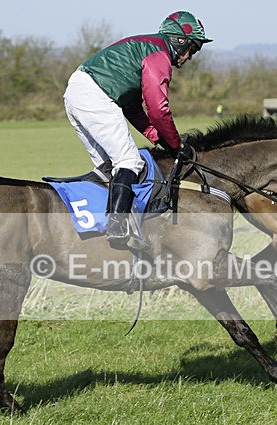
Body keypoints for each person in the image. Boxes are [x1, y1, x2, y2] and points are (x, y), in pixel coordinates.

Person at [63, 11, 211, 250]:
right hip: (94, 95)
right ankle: (117, 227)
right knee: (129, 162)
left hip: (77, 92)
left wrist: (157, 137)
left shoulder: (145, 48)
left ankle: (102, 228)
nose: (191, 56)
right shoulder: (158, 55)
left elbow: (132, 107)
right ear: (179, 41)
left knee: (108, 167)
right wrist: (175, 145)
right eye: (194, 48)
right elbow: (158, 108)